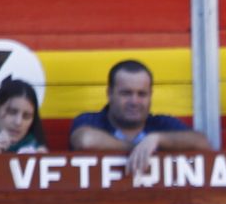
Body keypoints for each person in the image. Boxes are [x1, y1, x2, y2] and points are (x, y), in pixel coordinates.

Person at [69, 60, 212, 164]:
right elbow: (85, 141)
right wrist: (140, 148)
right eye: (126, 93)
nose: (134, 101)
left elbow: (203, 143)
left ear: (150, 95)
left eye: (142, 94)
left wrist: (157, 139)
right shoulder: (92, 120)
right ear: (109, 93)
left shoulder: (160, 123)